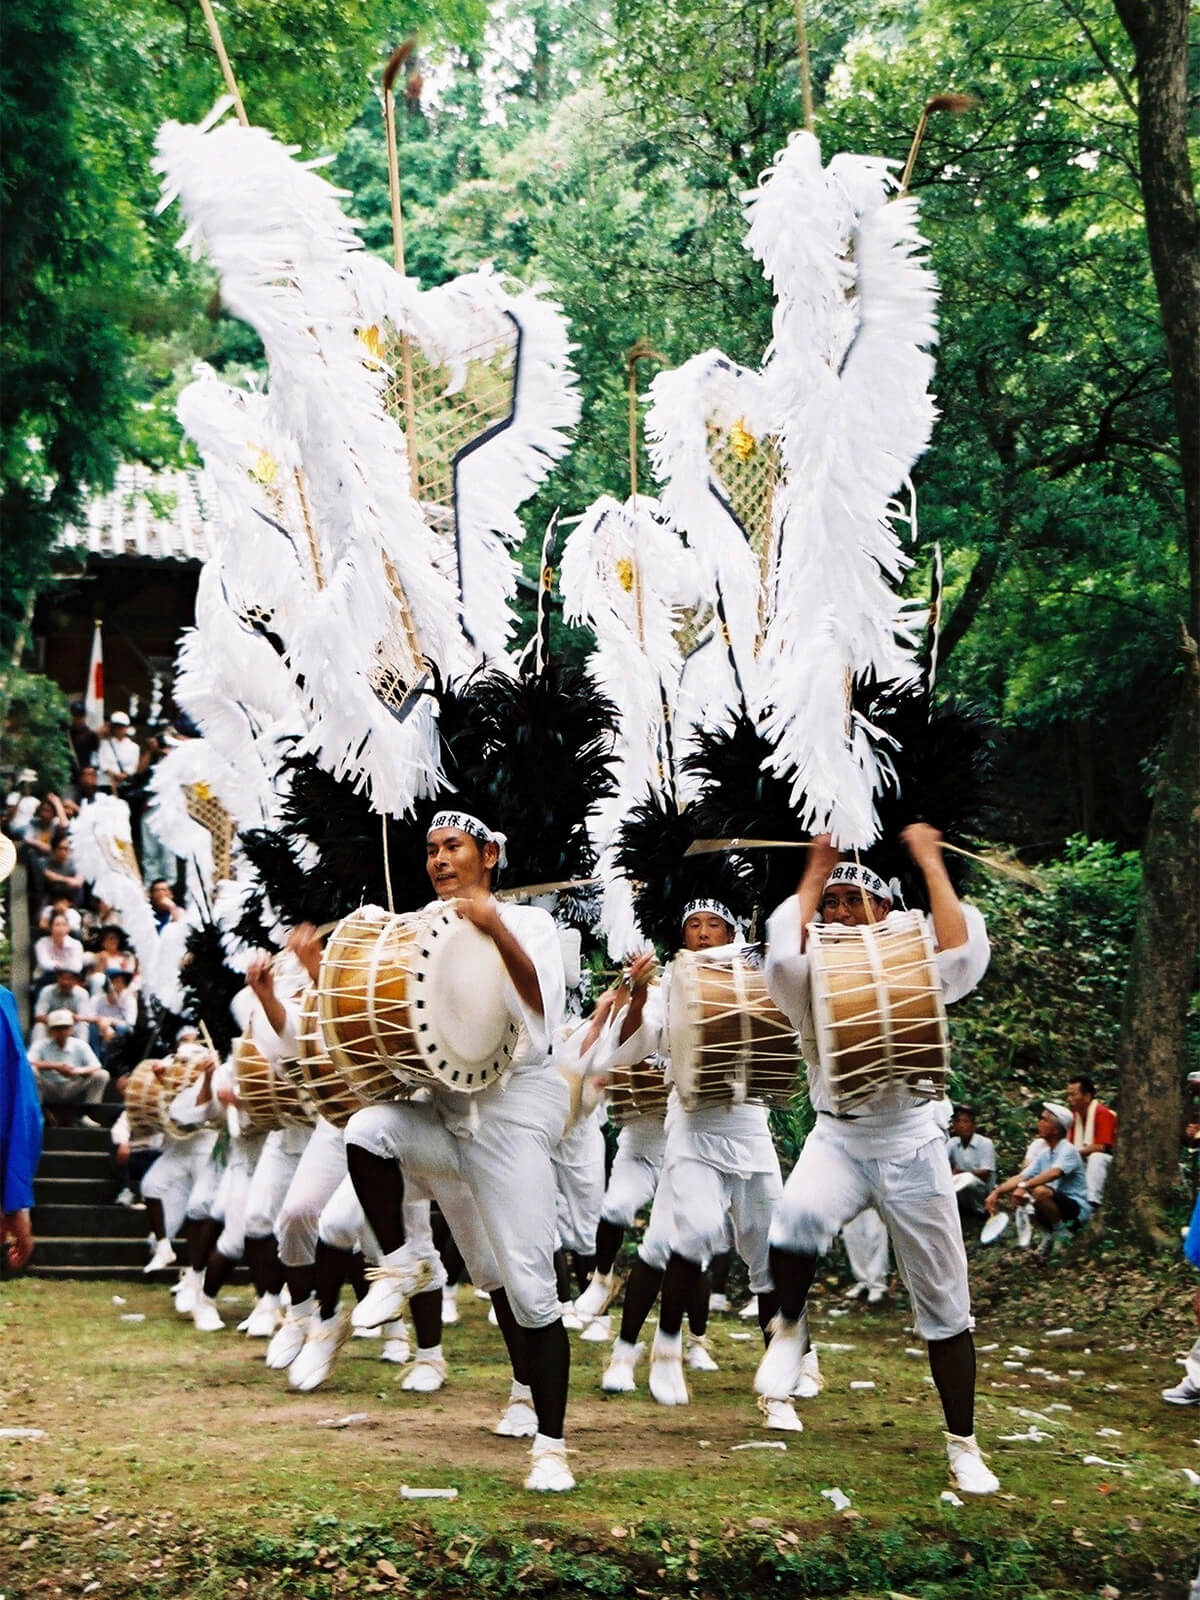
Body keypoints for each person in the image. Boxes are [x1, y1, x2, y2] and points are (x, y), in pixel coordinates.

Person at [760, 825, 1000, 1496]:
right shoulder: (808, 980)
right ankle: (790, 1333)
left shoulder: (914, 959)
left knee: (947, 1310)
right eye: (828, 904)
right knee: (792, 1226)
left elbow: (963, 949)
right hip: (840, 1138)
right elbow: (781, 960)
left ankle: (963, 1444)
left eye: (851, 902)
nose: (836, 912)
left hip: (915, 1142)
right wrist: (817, 867)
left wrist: (928, 858)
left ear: (887, 914)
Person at [343, 811, 573, 1492]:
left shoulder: (530, 923)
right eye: (432, 850)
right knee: (366, 1132)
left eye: (454, 848)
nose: (440, 859)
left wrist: (491, 924)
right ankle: (405, 1263)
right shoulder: (419, 924)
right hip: (446, 1117)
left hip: (512, 1120)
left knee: (530, 1290)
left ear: (489, 855)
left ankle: (552, 1447)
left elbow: (541, 1010)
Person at [597, 901, 797, 1427]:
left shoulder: (758, 980)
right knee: (672, 1240)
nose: (705, 934)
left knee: (769, 1251)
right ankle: (639, 1350)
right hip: (690, 1128)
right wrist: (639, 992)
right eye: (694, 926)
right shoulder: (671, 988)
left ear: (732, 931)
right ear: (682, 935)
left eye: (715, 925)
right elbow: (628, 1048)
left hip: (749, 1129)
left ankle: (788, 1373)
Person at [986, 1101, 1092, 1248]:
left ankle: (1062, 1233)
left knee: (1040, 1191)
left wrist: (1025, 1185)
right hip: (1058, 1206)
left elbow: (1054, 1173)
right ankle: (1048, 1233)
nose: (1039, 1123)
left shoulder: (1068, 1150)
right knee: (1027, 1195)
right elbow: (1022, 1176)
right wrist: (997, 1192)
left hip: (1075, 1209)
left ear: (1055, 1129)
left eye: (1044, 1120)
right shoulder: (1046, 1154)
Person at [28, 1009, 110, 1124]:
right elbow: (29, 1062)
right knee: (31, 1071)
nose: (61, 1032)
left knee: (102, 1075)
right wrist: (55, 1066)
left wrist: (75, 1071)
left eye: (65, 1028)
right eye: (57, 1028)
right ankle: (39, 1112)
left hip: (73, 1086)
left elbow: (96, 1066)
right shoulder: (41, 1045)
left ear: (71, 1029)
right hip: (50, 1087)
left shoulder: (80, 1045)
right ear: (50, 1030)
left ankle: (88, 1113)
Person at [1065, 1076, 1117, 1208]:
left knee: (1096, 1157)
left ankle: (1092, 1201)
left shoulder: (1103, 1113)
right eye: (1068, 1095)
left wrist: (1075, 1152)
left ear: (1087, 1096)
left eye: (1073, 1095)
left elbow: (1102, 1147)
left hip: (1107, 1161)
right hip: (1084, 1159)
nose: (1069, 1099)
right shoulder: (1075, 1118)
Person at [946, 1104, 997, 1221]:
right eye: (958, 1121)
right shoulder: (952, 1143)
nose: (962, 1125)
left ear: (974, 1126)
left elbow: (986, 1174)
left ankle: (981, 1210)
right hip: (960, 1185)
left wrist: (961, 1173)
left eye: (966, 1121)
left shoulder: (985, 1143)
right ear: (953, 1125)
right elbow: (942, 1163)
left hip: (981, 1190)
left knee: (968, 1179)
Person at [33, 910, 87, 984]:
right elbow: (44, 964)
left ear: (68, 928)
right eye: (57, 925)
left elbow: (77, 967)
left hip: (69, 979)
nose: (60, 928)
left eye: (64, 925)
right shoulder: (41, 943)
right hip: (46, 977)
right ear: (50, 928)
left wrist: (56, 965)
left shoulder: (76, 944)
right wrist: (66, 965)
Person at [97, 712, 140, 794]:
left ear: (126, 727)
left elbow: (133, 767)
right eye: (116, 726)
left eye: (122, 726)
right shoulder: (104, 743)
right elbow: (102, 763)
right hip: (106, 783)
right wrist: (114, 775)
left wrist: (124, 775)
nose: (118, 729)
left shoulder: (134, 747)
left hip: (124, 785)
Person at [67, 701, 99, 776]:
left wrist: (92, 769)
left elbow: (95, 755)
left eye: (80, 716)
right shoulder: (66, 733)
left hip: (87, 777)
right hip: (70, 775)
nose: (78, 719)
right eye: (75, 716)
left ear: (85, 717)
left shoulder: (91, 735)